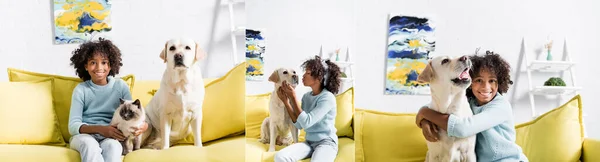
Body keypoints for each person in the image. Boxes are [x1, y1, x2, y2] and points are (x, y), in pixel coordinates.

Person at [416, 51, 529, 162]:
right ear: (470, 81)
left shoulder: (501, 107)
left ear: (499, 82)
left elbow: (462, 129)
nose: (486, 87)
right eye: (479, 80)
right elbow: (435, 106)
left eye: (492, 81)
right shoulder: (471, 102)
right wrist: (424, 118)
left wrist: (424, 114)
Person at [67, 38, 148, 162]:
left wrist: (144, 126)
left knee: (114, 147)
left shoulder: (120, 86)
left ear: (110, 66)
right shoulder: (81, 90)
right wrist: (101, 129)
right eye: (93, 62)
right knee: (90, 146)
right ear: (86, 66)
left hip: (111, 137)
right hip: (84, 136)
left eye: (104, 62)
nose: (99, 67)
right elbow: (73, 126)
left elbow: (133, 114)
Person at [274, 55, 343, 162]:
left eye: (308, 73)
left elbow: (306, 122)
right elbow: (299, 124)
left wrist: (293, 97)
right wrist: (286, 102)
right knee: (280, 157)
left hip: (326, 143)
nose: (303, 76)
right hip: (309, 142)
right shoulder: (306, 97)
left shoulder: (328, 98)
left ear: (319, 78)